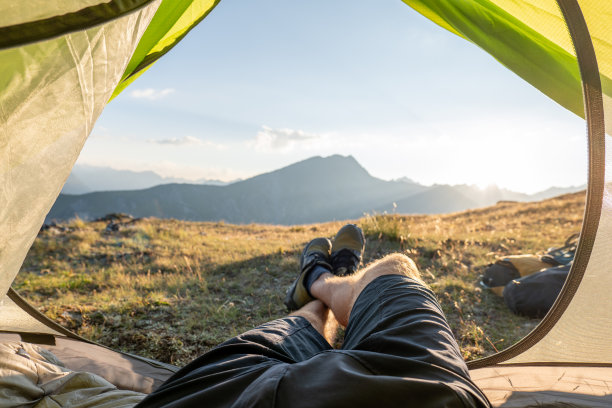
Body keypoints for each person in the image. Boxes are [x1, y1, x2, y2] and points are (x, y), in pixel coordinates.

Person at [137, 224, 491, 407]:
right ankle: (324, 280)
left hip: (228, 398)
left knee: (299, 327)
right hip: (426, 392)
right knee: (394, 269)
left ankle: (316, 282)